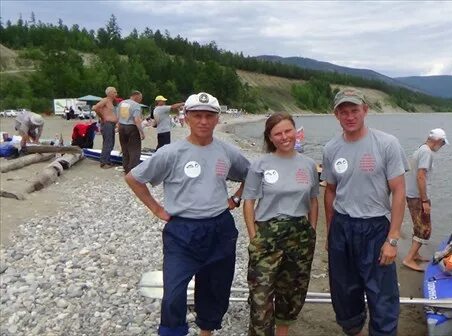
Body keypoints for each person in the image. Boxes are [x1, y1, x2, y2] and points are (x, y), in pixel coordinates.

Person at [125, 92, 250, 336]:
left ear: (217, 120)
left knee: (215, 287)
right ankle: (173, 331)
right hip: (182, 232)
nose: (203, 121)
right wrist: (156, 208)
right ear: (187, 118)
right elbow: (134, 178)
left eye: (209, 116)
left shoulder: (226, 152)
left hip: (219, 228)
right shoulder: (171, 153)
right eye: (197, 116)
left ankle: (207, 330)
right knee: (173, 293)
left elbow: (251, 174)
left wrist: (235, 198)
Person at [322, 88, 409, 336]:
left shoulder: (386, 143)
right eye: (344, 112)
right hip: (342, 227)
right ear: (336, 115)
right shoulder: (331, 149)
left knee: (382, 294)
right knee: (344, 291)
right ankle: (354, 330)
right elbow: (330, 191)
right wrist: (330, 232)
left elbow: (399, 191)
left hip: (374, 227)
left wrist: (392, 239)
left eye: (354, 111)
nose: (350, 116)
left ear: (365, 111)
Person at [242, 113, 319, 336]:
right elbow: (249, 202)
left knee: (292, 292)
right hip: (267, 236)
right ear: (270, 137)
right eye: (278, 133)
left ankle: (282, 332)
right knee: (260, 295)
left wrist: (312, 230)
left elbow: (313, 201)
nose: (284, 137)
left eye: (288, 131)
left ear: (295, 131)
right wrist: (253, 235)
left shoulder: (308, 165)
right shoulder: (260, 164)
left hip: (300, 237)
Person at [402, 128, 448, 272]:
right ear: (437, 141)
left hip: (411, 194)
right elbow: (420, 176)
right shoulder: (427, 153)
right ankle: (408, 259)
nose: (442, 147)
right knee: (425, 229)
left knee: (418, 226)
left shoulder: (421, 149)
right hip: (417, 197)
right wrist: (424, 200)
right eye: (442, 144)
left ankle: (415, 254)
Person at [117, 90, 145, 173]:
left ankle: (125, 167)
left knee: (125, 148)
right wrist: (142, 132)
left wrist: (118, 127)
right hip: (131, 127)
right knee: (134, 149)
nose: (141, 100)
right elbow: (137, 120)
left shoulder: (122, 103)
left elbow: (118, 116)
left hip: (122, 126)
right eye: (140, 98)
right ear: (136, 96)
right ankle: (132, 169)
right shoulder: (136, 105)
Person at [92, 86, 119, 168]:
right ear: (110, 93)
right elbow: (95, 107)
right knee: (108, 142)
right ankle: (104, 162)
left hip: (111, 124)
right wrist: (102, 117)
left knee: (110, 143)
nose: (116, 94)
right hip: (107, 124)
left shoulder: (111, 102)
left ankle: (106, 160)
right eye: (114, 92)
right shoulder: (105, 100)